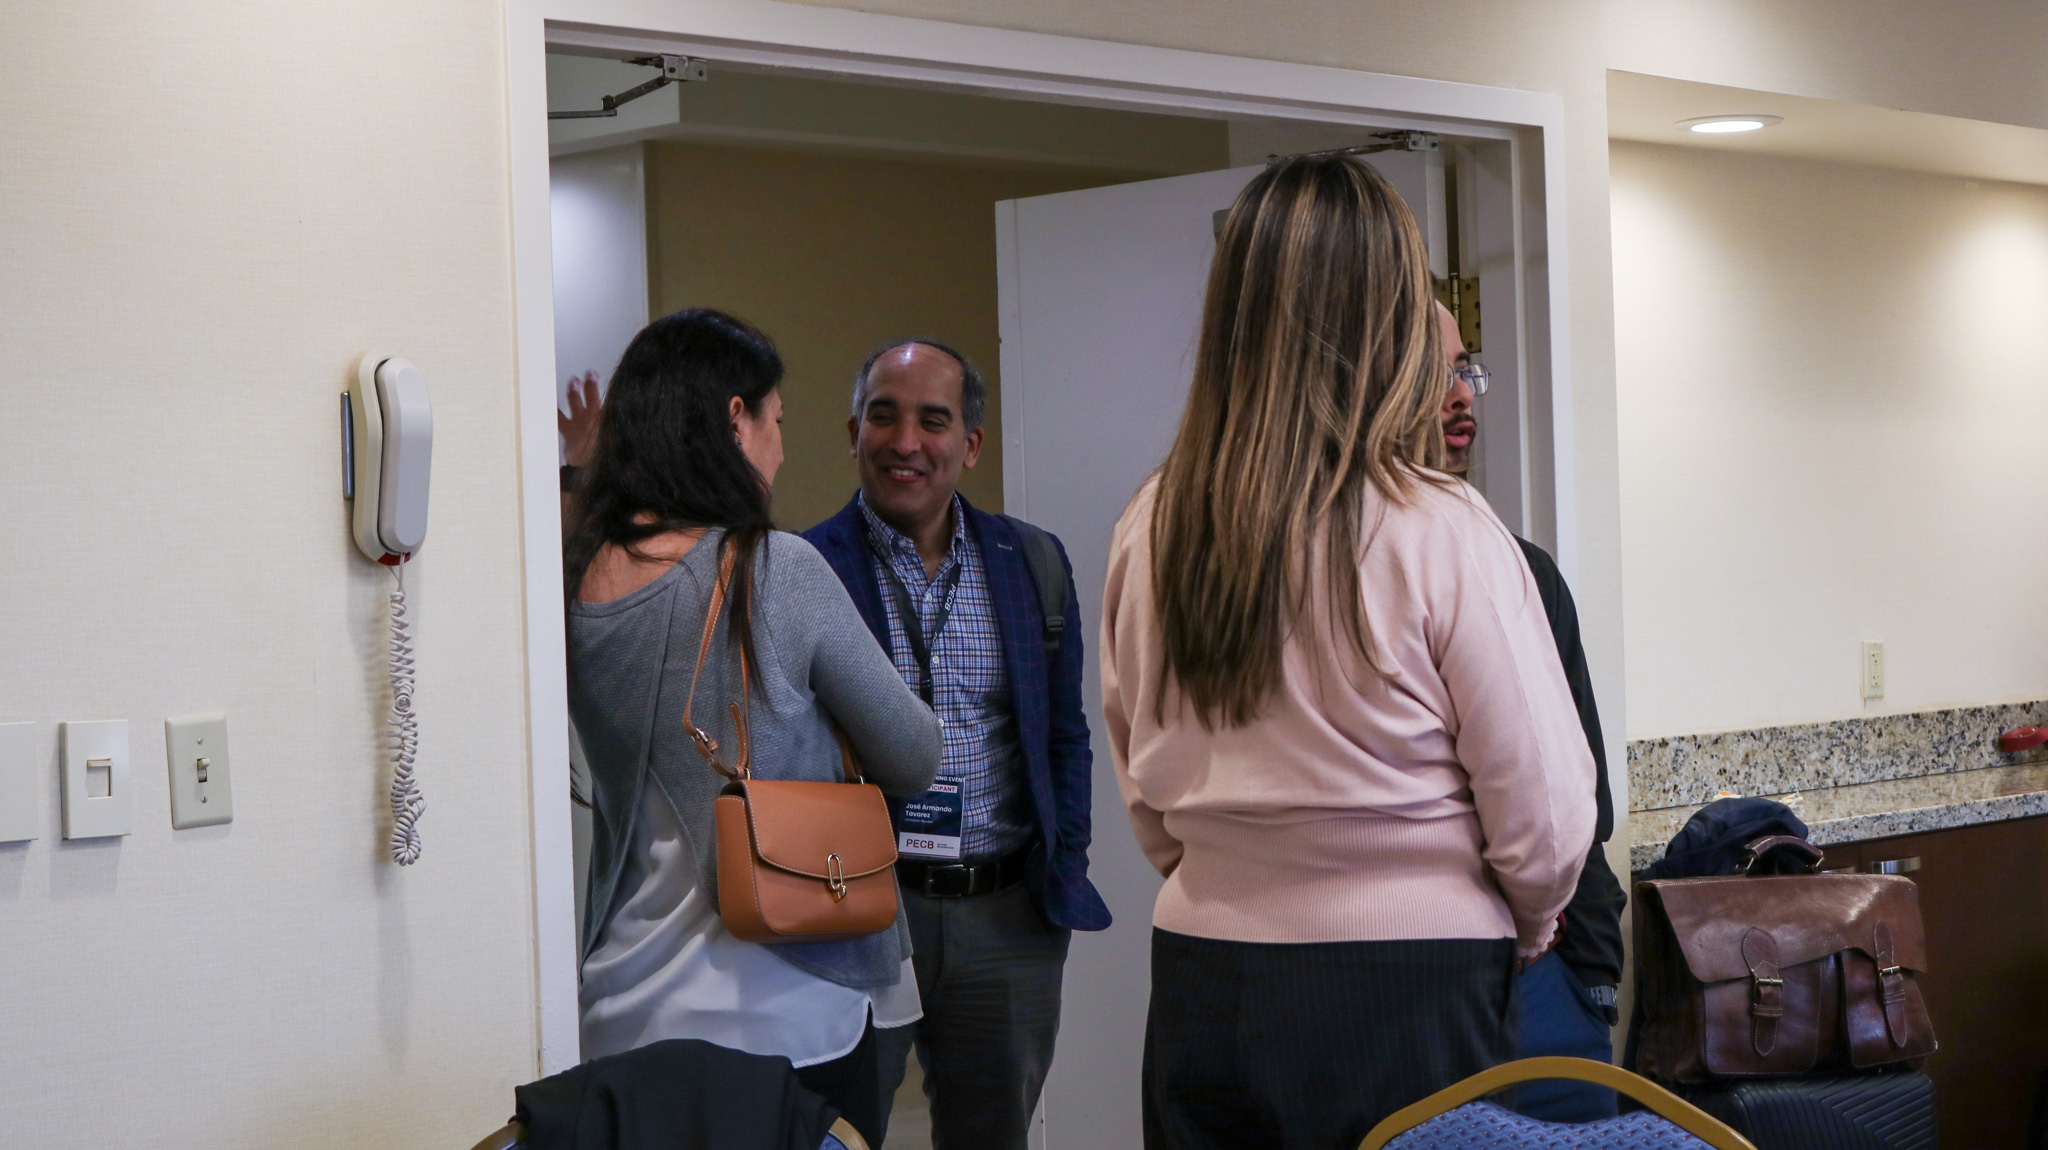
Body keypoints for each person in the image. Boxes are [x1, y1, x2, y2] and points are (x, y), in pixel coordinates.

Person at [1100, 156, 1596, 1149]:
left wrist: (1236, 872)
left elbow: (1141, 778)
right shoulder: (1442, 526)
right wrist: (1532, 922)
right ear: (1389, 322)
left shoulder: (1152, 521)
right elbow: (1545, 818)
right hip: (1410, 980)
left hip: (1204, 972)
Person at [563, 308, 942, 1149]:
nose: (781, 448)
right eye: (777, 421)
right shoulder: (776, 569)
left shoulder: (571, 576)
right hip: (789, 1008)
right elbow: (915, 753)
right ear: (735, 418)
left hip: (623, 1006)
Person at [800, 338, 1111, 1150]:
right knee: (836, 1134)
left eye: (932, 421)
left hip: (1004, 916)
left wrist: (1064, 864)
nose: (905, 441)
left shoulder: (1032, 562)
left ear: (970, 444)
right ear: (853, 431)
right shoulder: (803, 569)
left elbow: (1064, 734)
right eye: (883, 416)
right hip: (858, 912)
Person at [1437, 302, 1628, 1122]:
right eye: (1435, 373)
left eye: (1464, 369)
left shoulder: (1525, 574)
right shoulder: (1339, 579)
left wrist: (1589, 972)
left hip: (1545, 979)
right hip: (1423, 988)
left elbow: (1581, 806)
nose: (1461, 396)